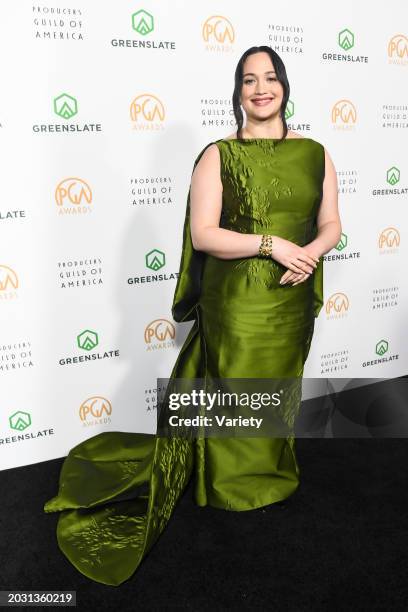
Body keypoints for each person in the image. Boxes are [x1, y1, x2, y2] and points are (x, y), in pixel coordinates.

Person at [43, 45, 341, 586]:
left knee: (278, 387)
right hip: (238, 300)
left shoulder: (317, 152)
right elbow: (205, 235)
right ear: (238, 92)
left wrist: (312, 253)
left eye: (270, 77)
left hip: (292, 296)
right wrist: (272, 244)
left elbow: (331, 223)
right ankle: (227, 485)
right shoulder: (217, 155)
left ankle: (270, 473)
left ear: (285, 85)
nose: (260, 88)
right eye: (249, 80)